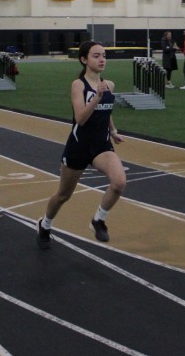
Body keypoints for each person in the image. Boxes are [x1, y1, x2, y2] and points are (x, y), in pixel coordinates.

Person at [37, 41, 126, 248]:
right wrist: (97, 97)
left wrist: (113, 131)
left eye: (104, 55)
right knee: (63, 195)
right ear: (84, 59)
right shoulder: (78, 85)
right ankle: (45, 224)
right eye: (96, 56)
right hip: (79, 147)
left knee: (119, 183)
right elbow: (80, 118)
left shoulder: (109, 84)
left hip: (101, 146)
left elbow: (106, 111)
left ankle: (98, 220)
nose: (102, 59)